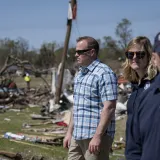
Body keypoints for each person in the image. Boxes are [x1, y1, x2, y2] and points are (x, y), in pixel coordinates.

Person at [63, 36, 118, 160]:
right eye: (75, 52)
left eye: (80, 52)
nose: (76, 55)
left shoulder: (104, 73)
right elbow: (76, 107)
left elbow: (109, 107)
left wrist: (98, 136)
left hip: (95, 137)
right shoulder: (79, 75)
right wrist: (69, 133)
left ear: (92, 52)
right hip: (77, 136)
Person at [123, 36, 158, 160]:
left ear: (150, 56)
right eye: (130, 54)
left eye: (140, 54)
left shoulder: (154, 87)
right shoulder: (135, 87)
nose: (134, 58)